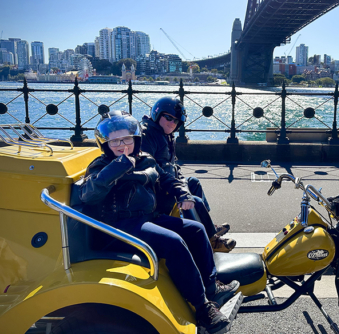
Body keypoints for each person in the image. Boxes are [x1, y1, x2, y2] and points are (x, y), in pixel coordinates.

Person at [79, 110, 239, 333]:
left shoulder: (145, 159)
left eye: (126, 139)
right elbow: (89, 194)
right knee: (173, 242)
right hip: (119, 228)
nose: (121, 145)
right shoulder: (101, 165)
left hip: (146, 219)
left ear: (135, 139)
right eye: (114, 141)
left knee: (195, 229)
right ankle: (202, 309)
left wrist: (183, 194)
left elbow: (166, 178)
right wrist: (118, 166)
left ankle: (211, 288)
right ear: (105, 143)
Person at [141, 96, 236, 253]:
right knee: (195, 200)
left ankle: (208, 226)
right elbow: (153, 168)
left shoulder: (164, 133)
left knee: (193, 182)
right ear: (157, 113)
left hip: (168, 182)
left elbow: (171, 164)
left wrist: (180, 181)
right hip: (156, 188)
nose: (172, 123)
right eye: (168, 118)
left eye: (176, 121)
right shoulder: (147, 135)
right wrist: (179, 188)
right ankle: (211, 241)